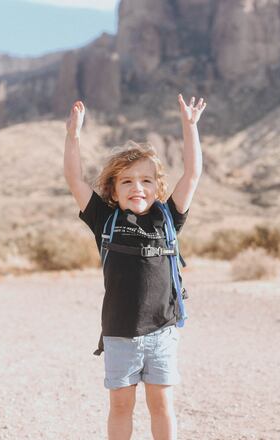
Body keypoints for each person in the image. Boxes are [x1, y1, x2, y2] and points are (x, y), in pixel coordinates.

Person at [63, 94, 206, 440]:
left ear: (157, 187)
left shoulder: (167, 217)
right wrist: (73, 137)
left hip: (162, 332)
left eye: (145, 180)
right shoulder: (105, 219)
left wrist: (190, 127)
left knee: (161, 407)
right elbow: (74, 179)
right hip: (119, 333)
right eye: (126, 181)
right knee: (121, 408)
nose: (136, 187)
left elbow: (192, 173)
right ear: (113, 189)